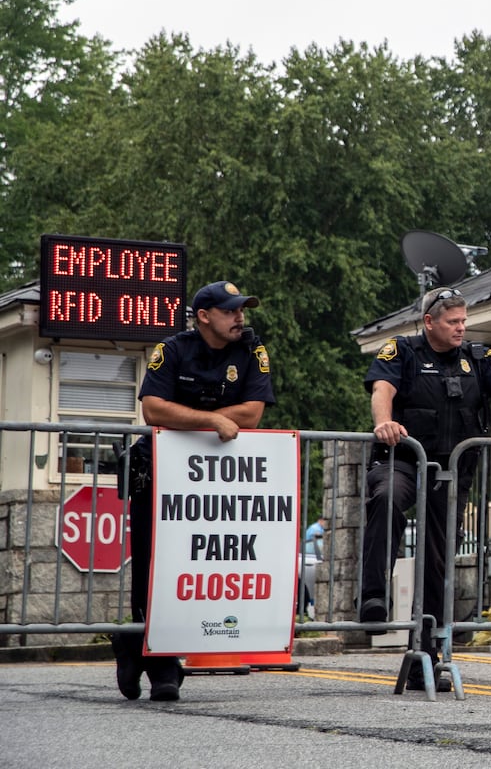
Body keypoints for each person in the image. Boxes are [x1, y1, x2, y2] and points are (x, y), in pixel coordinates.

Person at [359, 286, 491, 691]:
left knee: (437, 565)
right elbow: (382, 389)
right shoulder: (400, 351)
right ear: (429, 322)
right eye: (453, 322)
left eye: (464, 321)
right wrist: (383, 422)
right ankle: (373, 595)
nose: (460, 328)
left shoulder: (478, 357)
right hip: (402, 459)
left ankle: (425, 659)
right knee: (386, 498)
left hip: (450, 473)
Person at [123, 280, 276, 702]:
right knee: (155, 566)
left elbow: (252, 413)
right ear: (204, 316)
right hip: (158, 472)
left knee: (199, 566)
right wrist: (211, 421)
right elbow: (153, 408)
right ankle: (158, 662)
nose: (239, 317)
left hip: (215, 481)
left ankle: (139, 647)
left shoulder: (251, 349)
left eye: (242, 309)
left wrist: (190, 417)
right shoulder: (172, 349)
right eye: (230, 311)